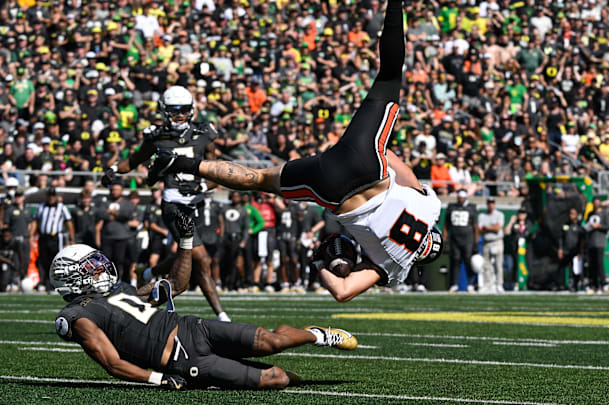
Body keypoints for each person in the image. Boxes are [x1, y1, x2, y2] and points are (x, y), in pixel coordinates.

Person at [149, 0, 443, 302]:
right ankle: (181, 162)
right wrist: (319, 261)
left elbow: (393, 160)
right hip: (334, 193)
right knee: (258, 179)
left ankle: (395, 5)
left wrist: (365, 149)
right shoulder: (397, 266)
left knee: (390, 74)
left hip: (367, 163)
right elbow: (342, 292)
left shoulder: (431, 209)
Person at [51, 209, 357, 391]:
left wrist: (185, 242)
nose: (101, 269)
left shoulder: (119, 289)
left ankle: (318, 334)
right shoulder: (78, 316)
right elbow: (112, 363)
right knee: (274, 379)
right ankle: (296, 379)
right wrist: (158, 380)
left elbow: (176, 284)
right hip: (183, 361)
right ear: (72, 277)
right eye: (92, 268)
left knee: (271, 341)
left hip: (194, 328)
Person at [104, 85, 230, 321]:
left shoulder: (205, 134)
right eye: (174, 111)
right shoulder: (157, 137)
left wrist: (202, 187)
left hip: (198, 203)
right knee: (201, 258)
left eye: (183, 110)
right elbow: (133, 159)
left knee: (188, 254)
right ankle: (222, 315)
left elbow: (218, 173)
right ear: (164, 111)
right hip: (174, 204)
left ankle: (149, 276)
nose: (179, 115)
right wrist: (113, 169)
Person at [32, 187, 75, 292]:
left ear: (55, 196)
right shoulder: (41, 206)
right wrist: (31, 235)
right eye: (49, 196)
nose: (51, 198)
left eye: (53, 196)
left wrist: (71, 238)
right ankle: (44, 282)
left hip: (55, 237)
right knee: (43, 260)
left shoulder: (61, 207)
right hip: (43, 237)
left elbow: (69, 222)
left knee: (55, 260)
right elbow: (35, 221)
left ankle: (54, 283)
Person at [444, 189, 478, 292]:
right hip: (455, 238)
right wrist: (445, 236)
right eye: (459, 198)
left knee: (468, 260)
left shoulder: (471, 208)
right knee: (455, 260)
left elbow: (475, 226)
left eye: (462, 198)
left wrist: (475, 241)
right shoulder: (452, 207)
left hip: (468, 239)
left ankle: (471, 283)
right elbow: (446, 224)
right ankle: (454, 284)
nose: (461, 200)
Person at [221, 191, 251, 291]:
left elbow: (246, 228)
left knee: (235, 263)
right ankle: (223, 282)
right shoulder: (225, 208)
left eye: (237, 196)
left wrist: (244, 240)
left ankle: (232, 284)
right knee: (223, 261)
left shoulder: (243, 210)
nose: (235, 198)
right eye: (234, 196)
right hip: (225, 238)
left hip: (236, 238)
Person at [197, 191, 224, 290]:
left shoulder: (216, 205)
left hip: (213, 235)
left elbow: (221, 222)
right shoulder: (198, 204)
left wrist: (221, 235)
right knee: (203, 260)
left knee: (215, 260)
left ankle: (216, 282)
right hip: (202, 234)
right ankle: (204, 282)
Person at [583, 197, 609, 294]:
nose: (596, 205)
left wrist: (599, 226)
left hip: (600, 242)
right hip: (591, 242)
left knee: (599, 263)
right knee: (592, 264)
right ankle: (594, 284)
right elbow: (586, 226)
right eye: (594, 203)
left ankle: (603, 283)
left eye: (598, 203)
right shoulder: (590, 214)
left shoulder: (604, 213)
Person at [479, 197, 504, 293]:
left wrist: (486, 227)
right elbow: (480, 229)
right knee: (486, 265)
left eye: (492, 203)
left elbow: (497, 228)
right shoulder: (482, 215)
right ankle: (487, 284)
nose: (491, 204)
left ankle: (499, 284)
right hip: (486, 242)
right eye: (489, 203)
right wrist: (491, 228)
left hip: (497, 241)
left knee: (498, 264)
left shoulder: (499, 214)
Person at [505, 208, 532, 292]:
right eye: (520, 213)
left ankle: (525, 283)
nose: (521, 215)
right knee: (516, 266)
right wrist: (511, 221)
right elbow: (506, 232)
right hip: (515, 249)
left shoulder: (528, 224)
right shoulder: (515, 224)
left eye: (523, 213)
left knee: (525, 265)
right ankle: (516, 283)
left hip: (525, 250)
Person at [557, 207, 584, 292]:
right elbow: (561, 237)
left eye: (573, 213)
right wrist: (560, 248)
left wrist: (580, 251)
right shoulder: (566, 225)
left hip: (575, 250)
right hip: (566, 250)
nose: (571, 215)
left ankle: (575, 285)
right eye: (570, 213)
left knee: (575, 269)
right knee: (562, 267)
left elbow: (582, 240)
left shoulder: (579, 226)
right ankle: (561, 284)